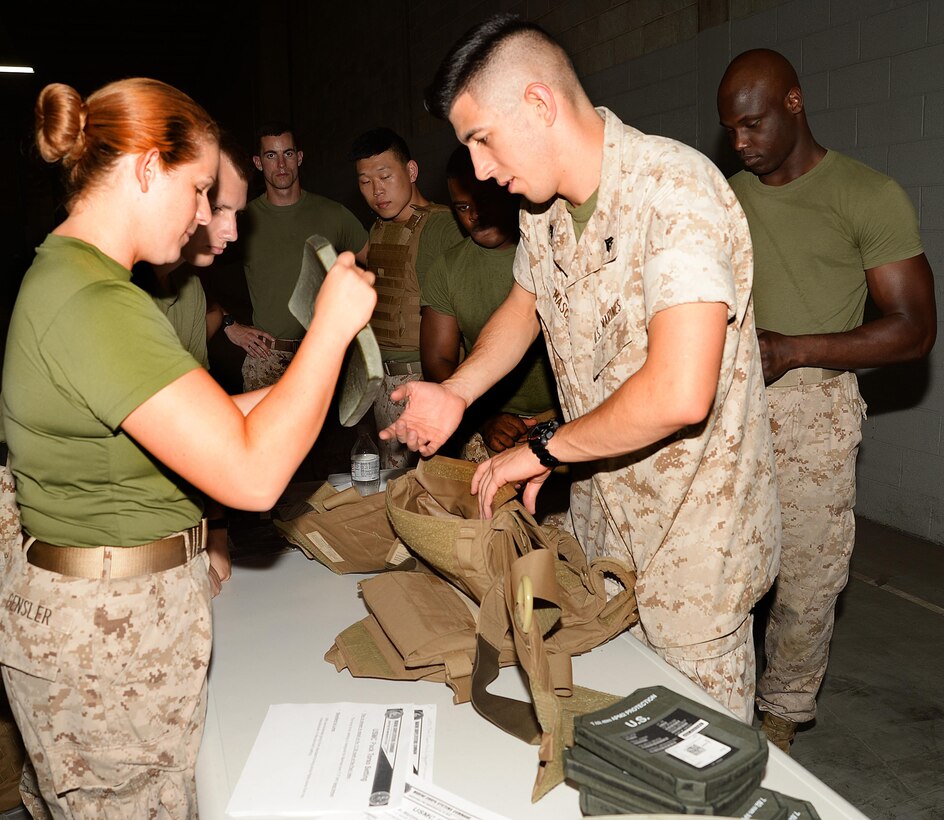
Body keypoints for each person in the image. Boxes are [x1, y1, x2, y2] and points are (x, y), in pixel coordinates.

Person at [380, 13, 781, 721]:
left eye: (481, 139)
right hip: (602, 532)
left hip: (693, 547)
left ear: (538, 105)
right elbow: (523, 309)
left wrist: (543, 450)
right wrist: (456, 391)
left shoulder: (675, 191)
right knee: (616, 743)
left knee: (693, 761)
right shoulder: (545, 209)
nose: (478, 170)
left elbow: (680, 392)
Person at [0, 78, 375, 816]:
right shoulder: (95, 303)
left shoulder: (81, 281)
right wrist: (330, 330)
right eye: (200, 190)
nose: (208, 217)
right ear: (146, 168)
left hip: (112, 619)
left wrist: (312, 375)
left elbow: (203, 420)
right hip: (108, 641)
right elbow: (252, 474)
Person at [717, 49, 936, 751]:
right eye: (732, 132)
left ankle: (779, 722)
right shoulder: (726, 198)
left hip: (813, 412)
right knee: (719, 569)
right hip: (726, 409)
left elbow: (914, 329)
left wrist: (796, 348)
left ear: (794, 103)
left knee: (807, 586)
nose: (742, 144)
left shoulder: (868, 196)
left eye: (752, 125)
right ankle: (715, 703)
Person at [134, 130, 254, 597]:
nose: (230, 231)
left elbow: (202, 428)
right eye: (217, 207)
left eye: (236, 214)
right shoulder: (116, 291)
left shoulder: (188, 290)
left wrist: (215, 534)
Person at [421, 143, 560, 464]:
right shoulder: (446, 269)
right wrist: (484, 419)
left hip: (567, 415)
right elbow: (438, 360)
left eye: (484, 201)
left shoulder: (552, 252)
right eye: (461, 207)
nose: (475, 217)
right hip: (489, 419)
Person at [350, 127, 464, 469]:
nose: (376, 191)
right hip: (383, 383)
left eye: (385, 176)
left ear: (411, 172)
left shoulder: (442, 228)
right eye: (365, 181)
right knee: (393, 488)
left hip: (421, 381)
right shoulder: (379, 227)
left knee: (427, 491)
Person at [240, 121, 369, 391]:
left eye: (288, 153)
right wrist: (230, 325)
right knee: (262, 435)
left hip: (320, 357)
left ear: (299, 157)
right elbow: (194, 271)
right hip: (267, 358)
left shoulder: (334, 214)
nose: (282, 165)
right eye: (271, 155)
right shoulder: (243, 220)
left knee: (318, 435)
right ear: (258, 162)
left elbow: (377, 267)